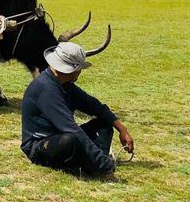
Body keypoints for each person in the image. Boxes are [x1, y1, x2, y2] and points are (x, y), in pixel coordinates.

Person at [20, 41, 134, 176]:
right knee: (70, 140)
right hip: (40, 145)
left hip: (62, 135)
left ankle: (92, 164)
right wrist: (102, 161)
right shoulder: (46, 89)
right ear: (71, 70)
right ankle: (94, 164)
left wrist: (122, 129)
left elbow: (95, 106)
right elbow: (70, 128)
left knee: (104, 123)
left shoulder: (64, 84)